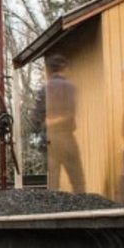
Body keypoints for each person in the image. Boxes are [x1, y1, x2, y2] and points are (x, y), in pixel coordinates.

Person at [44, 54, 85, 193]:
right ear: (63, 68)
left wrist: (46, 125)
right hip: (66, 136)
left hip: (50, 139)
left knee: (53, 179)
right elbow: (69, 113)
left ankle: (52, 211)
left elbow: (36, 116)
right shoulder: (68, 87)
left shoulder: (45, 88)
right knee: (77, 177)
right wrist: (56, 121)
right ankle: (83, 207)